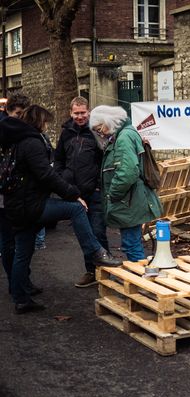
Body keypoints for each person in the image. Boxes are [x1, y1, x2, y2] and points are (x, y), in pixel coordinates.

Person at [0, 105, 122, 314]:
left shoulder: (17, 141)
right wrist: (73, 194)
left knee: (23, 251)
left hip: (17, 205)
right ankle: (96, 253)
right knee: (75, 209)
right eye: (45, 122)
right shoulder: (32, 142)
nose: (47, 126)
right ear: (39, 121)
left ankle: (21, 297)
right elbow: (46, 175)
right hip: (30, 205)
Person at [90, 105, 162, 262]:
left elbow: (127, 172)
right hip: (130, 199)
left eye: (99, 127)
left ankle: (140, 281)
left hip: (129, 201)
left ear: (109, 120)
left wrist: (112, 195)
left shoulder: (123, 138)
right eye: (96, 130)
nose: (99, 132)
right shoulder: (126, 134)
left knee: (131, 244)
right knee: (132, 242)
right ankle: (140, 278)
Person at [55, 96, 109, 288]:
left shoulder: (96, 132)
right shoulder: (66, 134)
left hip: (94, 192)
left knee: (98, 232)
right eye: (76, 113)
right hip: (75, 194)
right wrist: (64, 178)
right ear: (71, 113)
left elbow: (106, 160)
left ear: (89, 112)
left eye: (83, 113)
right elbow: (59, 159)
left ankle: (105, 272)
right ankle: (91, 272)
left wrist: (99, 184)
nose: (80, 116)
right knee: (85, 235)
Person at [0, 93, 33, 296]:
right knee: (9, 241)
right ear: (8, 112)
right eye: (17, 114)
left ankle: (21, 282)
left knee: (19, 242)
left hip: (16, 195)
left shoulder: (18, 131)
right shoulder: (6, 130)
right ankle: (16, 285)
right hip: (5, 196)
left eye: (24, 114)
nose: (20, 119)